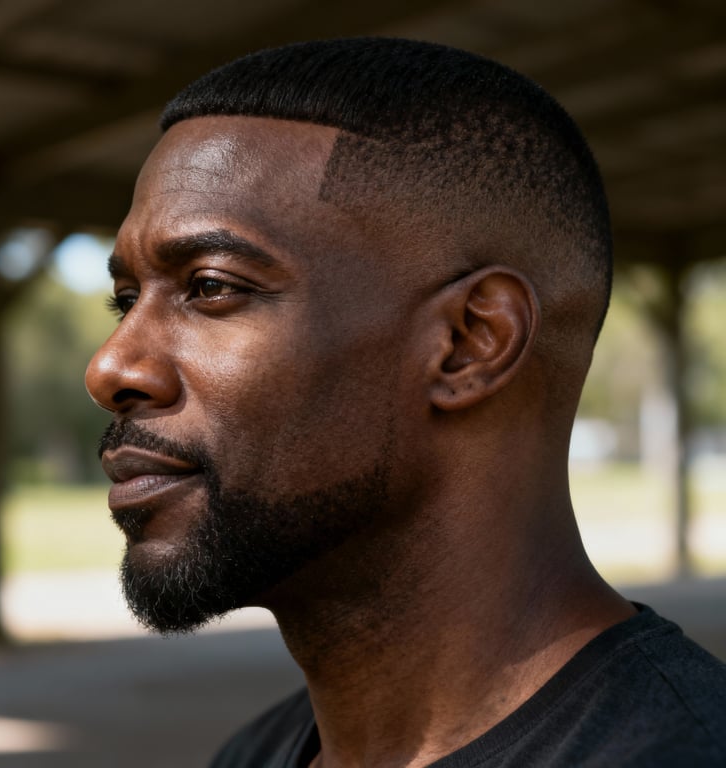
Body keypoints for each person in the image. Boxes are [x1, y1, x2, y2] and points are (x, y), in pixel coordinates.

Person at [84, 38, 726, 768]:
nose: (110, 366)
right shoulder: (254, 754)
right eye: (126, 299)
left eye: (210, 286)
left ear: (469, 343)